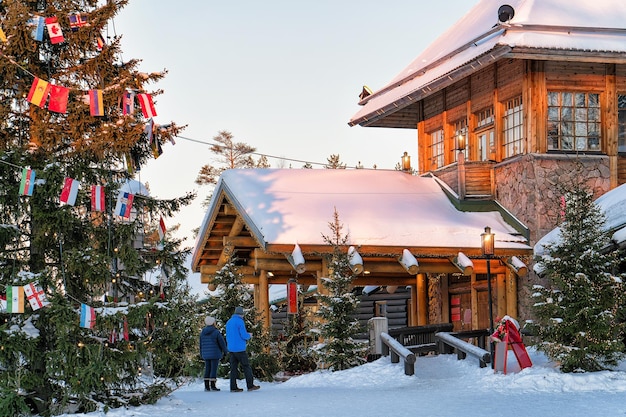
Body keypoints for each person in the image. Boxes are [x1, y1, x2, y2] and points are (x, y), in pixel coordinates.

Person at [225, 306, 260, 392]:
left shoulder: (229, 322)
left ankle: (233, 387)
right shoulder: (240, 322)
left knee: (233, 368)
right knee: (246, 366)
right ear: (241, 314)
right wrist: (249, 336)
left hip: (231, 348)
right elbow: (243, 335)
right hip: (240, 348)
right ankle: (250, 385)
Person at [199, 316, 227, 391]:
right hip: (215, 353)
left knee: (207, 368)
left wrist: (201, 353)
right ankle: (213, 385)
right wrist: (225, 351)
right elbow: (222, 343)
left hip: (206, 354)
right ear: (213, 323)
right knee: (213, 369)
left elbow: (201, 344)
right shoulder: (216, 332)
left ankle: (206, 386)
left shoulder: (203, 333)